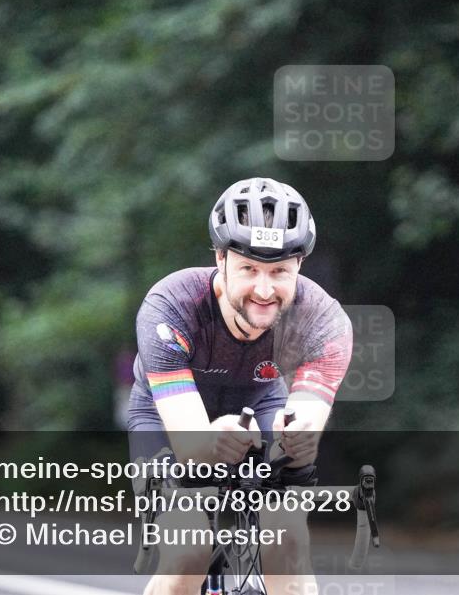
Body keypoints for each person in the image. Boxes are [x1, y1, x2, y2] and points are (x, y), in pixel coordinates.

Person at [127, 177, 353, 595]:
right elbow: (193, 445)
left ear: (299, 266)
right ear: (220, 258)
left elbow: (300, 433)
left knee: (287, 540)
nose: (264, 290)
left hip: (261, 399)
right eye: (249, 268)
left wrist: (291, 440)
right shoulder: (171, 306)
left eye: (279, 271)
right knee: (189, 550)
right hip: (164, 416)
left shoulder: (324, 321)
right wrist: (216, 436)